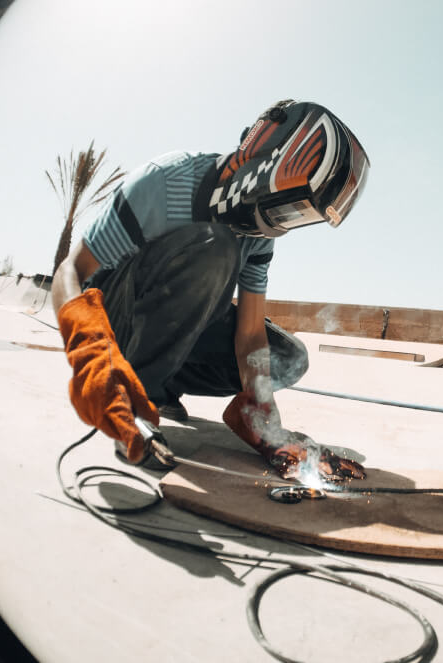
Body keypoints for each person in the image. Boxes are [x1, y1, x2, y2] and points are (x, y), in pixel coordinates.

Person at [52, 99, 370, 482]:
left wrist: (263, 419)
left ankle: (166, 383)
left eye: (297, 215)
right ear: (264, 153)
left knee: (289, 356)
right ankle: (136, 401)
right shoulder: (164, 181)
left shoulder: (261, 236)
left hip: (171, 322)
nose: (282, 223)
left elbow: (250, 335)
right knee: (217, 249)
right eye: (289, 208)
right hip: (113, 322)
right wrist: (89, 350)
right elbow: (71, 271)